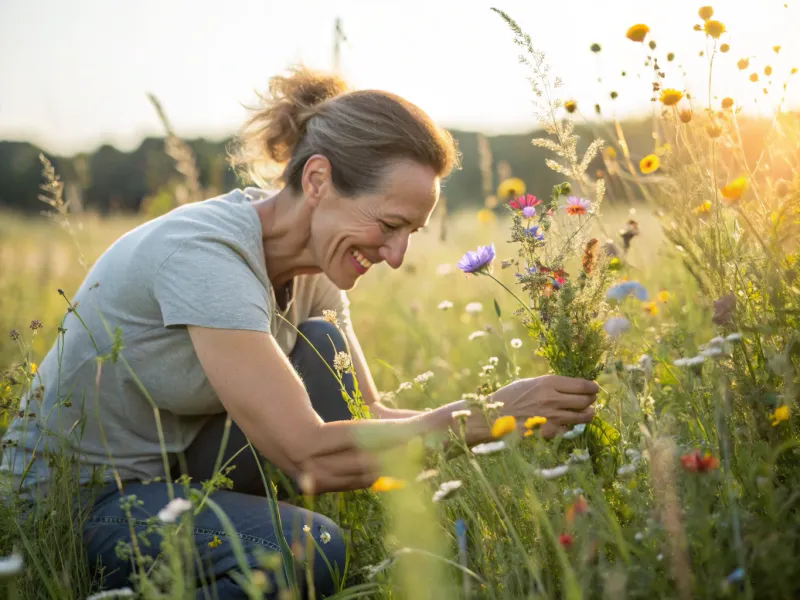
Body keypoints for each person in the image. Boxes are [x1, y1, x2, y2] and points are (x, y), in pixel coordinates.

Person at [0, 65, 599, 598]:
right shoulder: (206, 255)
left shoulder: (317, 266)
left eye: (410, 233)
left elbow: (369, 414)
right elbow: (309, 455)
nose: (395, 255)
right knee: (308, 546)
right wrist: (485, 416)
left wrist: (498, 423)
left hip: (171, 479)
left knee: (323, 352)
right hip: (77, 508)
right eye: (389, 224)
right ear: (317, 180)